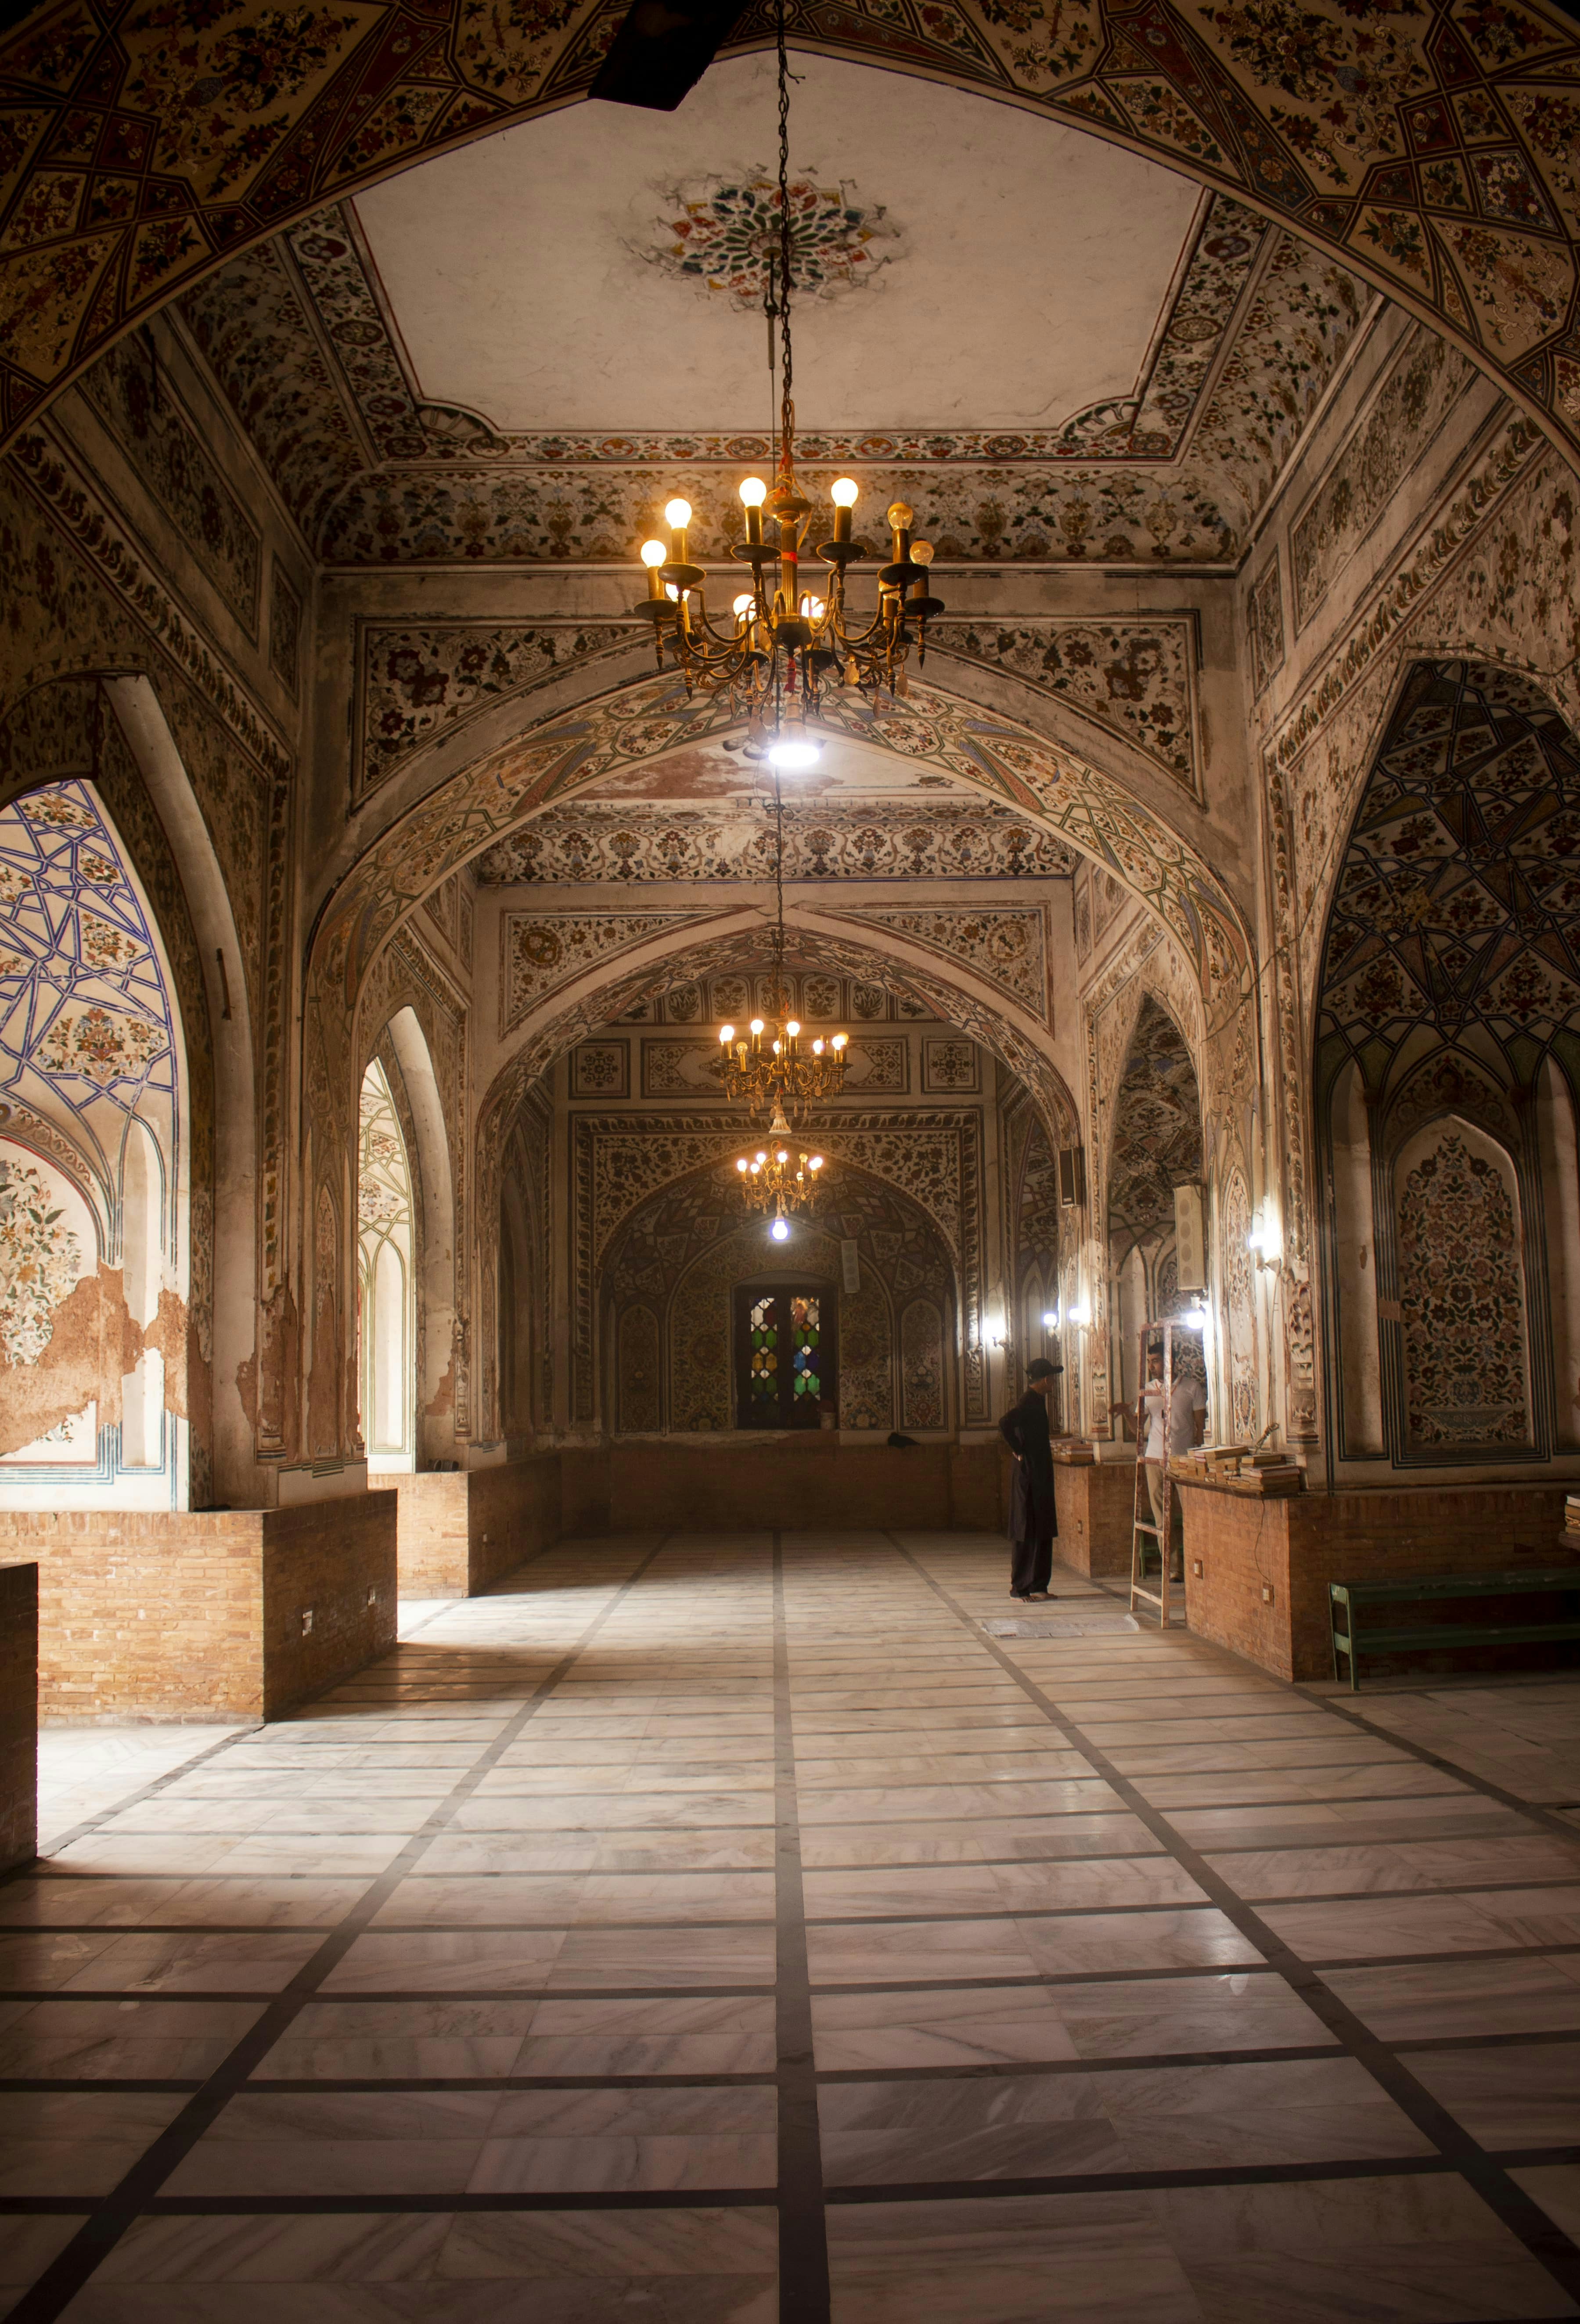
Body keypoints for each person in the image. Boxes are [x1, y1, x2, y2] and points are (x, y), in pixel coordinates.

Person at [1136, 1343, 1206, 1580]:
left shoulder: (1191, 1388)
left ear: (1171, 1361)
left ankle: (1197, 1564)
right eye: (1149, 1361)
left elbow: (1200, 1428)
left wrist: (1197, 1457)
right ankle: (1174, 1567)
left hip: (1183, 1459)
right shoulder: (1149, 1390)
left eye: (1155, 1360)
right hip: (1155, 1458)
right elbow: (1137, 1425)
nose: (1151, 1366)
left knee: (1191, 1513)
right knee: (1161, 1516)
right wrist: (1126, 1414)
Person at [999, 1357, 1062, 1601]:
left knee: (1043, 1528)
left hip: (1040, 1474)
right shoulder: (1028, 1403)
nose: (1053, 1383)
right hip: (1029, 1476)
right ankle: (1020, 1588)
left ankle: (1039, 1585)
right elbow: (1005, 1423)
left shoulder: (1037, 1401)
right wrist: (1018, 1449)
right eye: (1052, 1379)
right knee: (1026, 1530)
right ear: (1046, 1380)